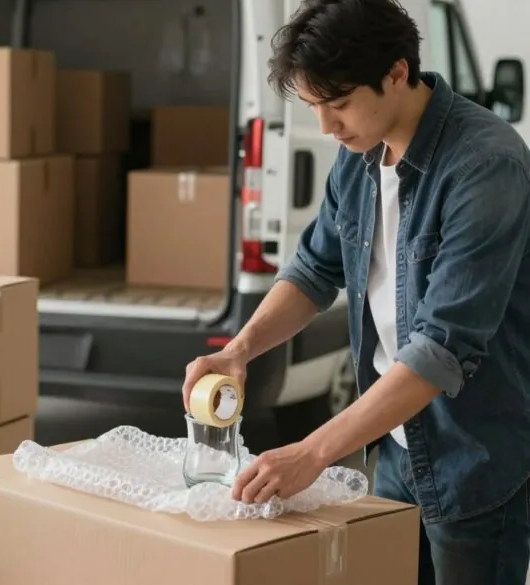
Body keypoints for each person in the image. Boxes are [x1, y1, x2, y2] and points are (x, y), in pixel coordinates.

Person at [182, 0, 530, 583]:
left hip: (472, 460)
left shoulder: (485, 165)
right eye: (313, 106)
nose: (326, 126)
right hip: (393, 446)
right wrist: (239, 351)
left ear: (397, 73)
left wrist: (313, 453)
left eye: (339, 103)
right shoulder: (359, 158)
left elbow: (440, 349)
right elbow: (313, 271)